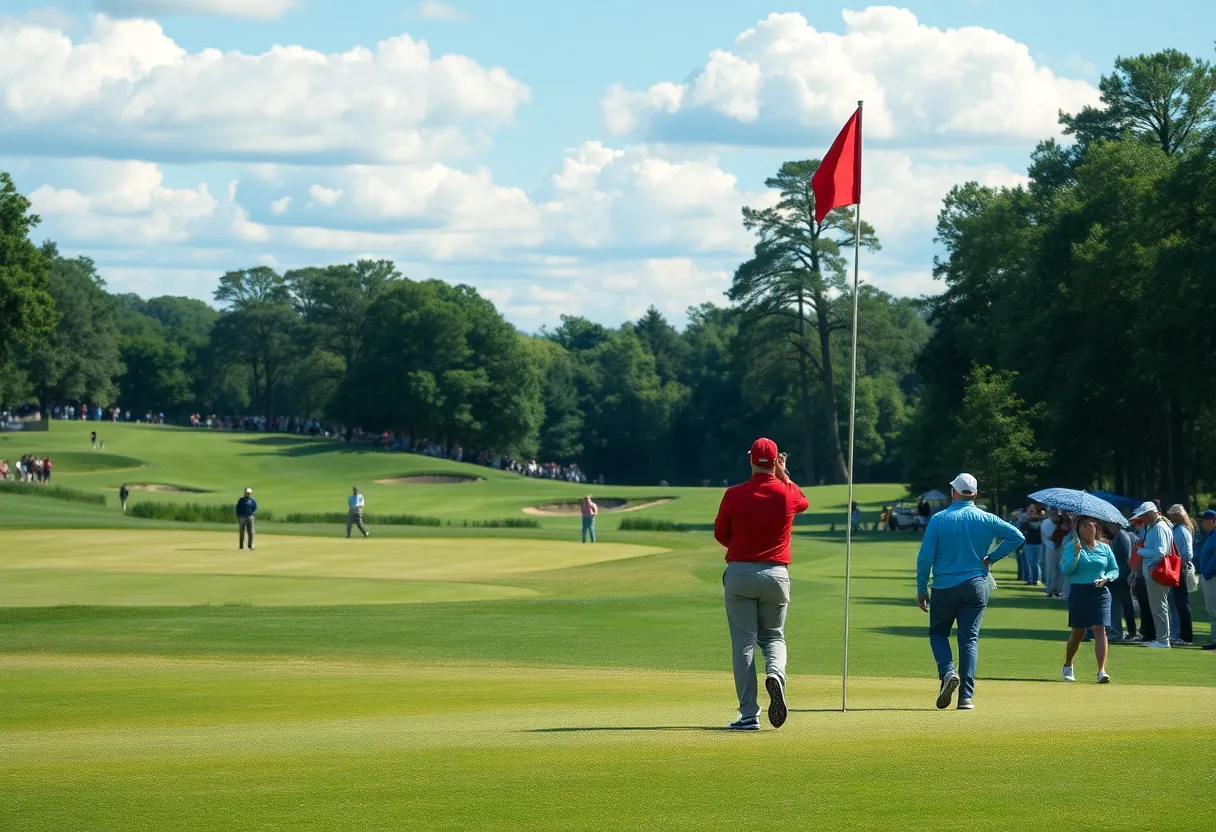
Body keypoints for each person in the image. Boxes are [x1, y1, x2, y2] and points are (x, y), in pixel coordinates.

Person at [713, 439, 809, 730]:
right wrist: (784, 475)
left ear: (751, 460)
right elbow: (802, 501)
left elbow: (720, 534)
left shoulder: (734, 494)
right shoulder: (786, 493)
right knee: (774, 638)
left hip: (740, 574)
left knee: (743, 644)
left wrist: (742, 548)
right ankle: (776, 675)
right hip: (777, 575)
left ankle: (748, 714)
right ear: (777, 461)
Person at [916, 473, 1024, 711]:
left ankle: (947, 673)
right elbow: (1017, 536)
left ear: (954, 491)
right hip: (976, 585)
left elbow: (925, 557)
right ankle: (966, 697)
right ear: (974, 494)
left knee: (938, 634)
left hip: (944, 586)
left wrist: (921, 588)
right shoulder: (986, 518)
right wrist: (991, 558)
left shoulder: (939, 519)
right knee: (969, 639)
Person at [1060, 516, 1120, 683]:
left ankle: (1101, 671)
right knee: (1078, 633)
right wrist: (1077, 553)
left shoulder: (1105, 548)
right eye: (1082, 526)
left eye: (1089, 526)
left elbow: (1114, 569)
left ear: (1096, 529)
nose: (1085, 529)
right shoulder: (1072, 547)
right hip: (1079, 591)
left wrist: (1106, 578)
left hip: (1100, 592)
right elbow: (1067, 570)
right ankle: (1068, 664)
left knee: (1100, 628)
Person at [1129, 502, 1172, 648]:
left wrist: (1140, 551)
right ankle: (1161, 638)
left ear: (1151, 514)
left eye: (1144, 515)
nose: (1142, 519)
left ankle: (1163, 639)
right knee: (1158, 606)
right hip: (1154, 572)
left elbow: (1160, 551)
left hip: (1157, 572)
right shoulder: (1155, 527)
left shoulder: (1158, 528)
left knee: (1159, 606)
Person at [1165, 505, 1195, 646]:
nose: (1170, 516)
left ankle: (1186, 636)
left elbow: (1187, 553)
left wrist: (1178, 566)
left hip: (1180, 571)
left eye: (1173, 514)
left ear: (1179, 515)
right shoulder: (1176, 529)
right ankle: (1179, 634)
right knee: (1176, 603)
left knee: (1182, 603)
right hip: (1175, 570)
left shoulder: (1182, 530)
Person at [1105, 521, 1137, 641]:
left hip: (1121, 576)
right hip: (1119, 575)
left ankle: (1122, 631)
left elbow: (1124, 558)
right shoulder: (1117, 536)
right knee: (1123, 605)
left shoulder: (1121, 536)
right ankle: (1125, 631)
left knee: (1123, 605)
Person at [1197, 510, 1216, 650]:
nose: (1202, 522)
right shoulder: (1210, 536)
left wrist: (1207, 573)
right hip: (1209, 576)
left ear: (1213, 520)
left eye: (1205, 520)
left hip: (1212, 577)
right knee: (1212, 610)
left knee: (1214, 610)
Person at [1019, 508, 1043, 586]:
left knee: (1035, 563)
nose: (1030, 514)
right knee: (1031, 563)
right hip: (1028, 544)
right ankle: (1032, 579)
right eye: (1029, 512)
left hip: (1037, 544)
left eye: (1032, 512)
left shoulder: (1040, 522)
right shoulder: (1026, 523)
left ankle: (1035, 580)